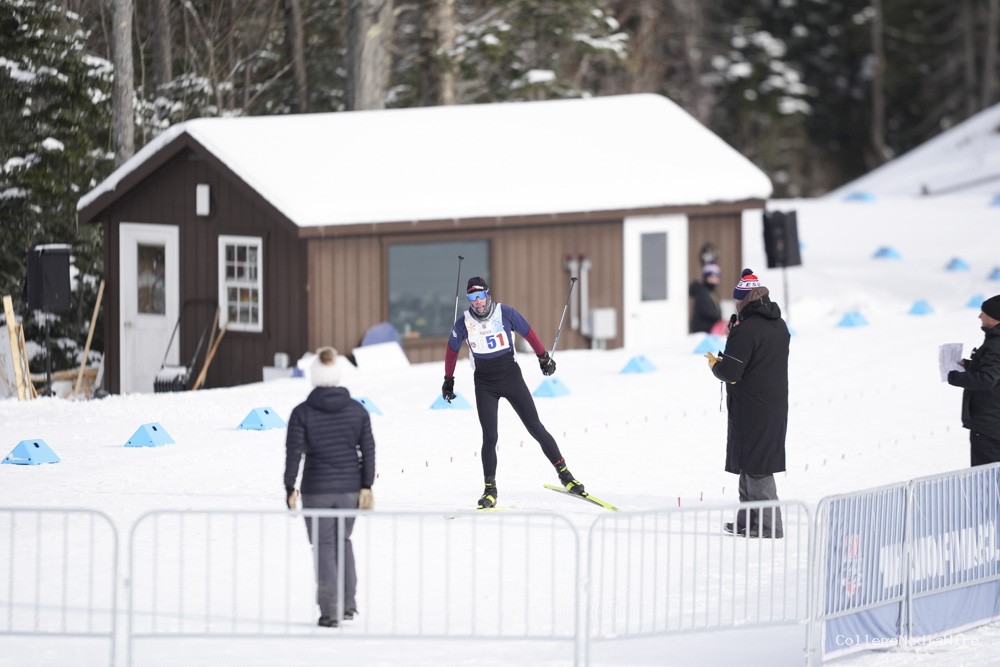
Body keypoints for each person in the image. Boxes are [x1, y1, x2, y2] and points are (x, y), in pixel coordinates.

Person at [442, 276, 586, 508]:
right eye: (472, 298)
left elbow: (528, 332)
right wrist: (448, 380)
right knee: (490, 437)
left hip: (511, 378)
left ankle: (565, 474)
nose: (477, 302)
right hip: (485, 384)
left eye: (480, 296)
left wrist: (543, 357)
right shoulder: (464, 323)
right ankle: (490, 489)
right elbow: (451, 351)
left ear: (488, 295)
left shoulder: (505, 313)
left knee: (535, 427)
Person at [284, 347, 376, 628]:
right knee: (342, 542)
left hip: (316, 490)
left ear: (314, 375)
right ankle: (348, 604)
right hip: (350, 490)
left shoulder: (301, 413)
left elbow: (294, 453)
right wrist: (366, 485)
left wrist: (289, 487)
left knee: (323, 546)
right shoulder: (357, 410)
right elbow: (368, 449)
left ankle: (330, 610)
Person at [705, 269, 789, 538]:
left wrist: (716, 364)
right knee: (749, 464)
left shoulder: (748, 330)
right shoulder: (778, 325)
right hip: (771, 404)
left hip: (753, 407)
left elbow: (731, 372)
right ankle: (748, 523)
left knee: (758, 466)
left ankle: (768, 527)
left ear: (743, 301)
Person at [947, 294, 1000, 466]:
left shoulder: (995, 344)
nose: (979, 316)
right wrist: (969, 366)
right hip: (993, 422)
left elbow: (987, 379)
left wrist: (955, 376)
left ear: (995, 317)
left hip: (989, 425)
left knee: (986, 476)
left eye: (983, 312)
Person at [689, 262, 723, 333]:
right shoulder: (702, 291)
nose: (715, 279)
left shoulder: (711, 292)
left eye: (716, 276)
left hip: (710, 330)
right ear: (706, 277)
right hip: (702, 331)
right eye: (712, 276)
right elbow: (710, 312)